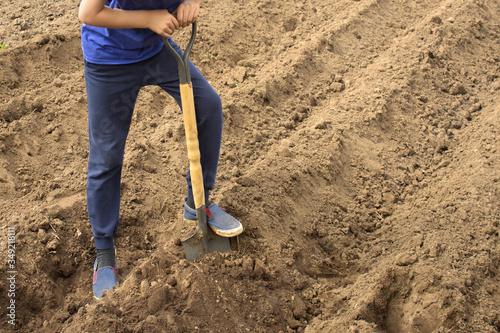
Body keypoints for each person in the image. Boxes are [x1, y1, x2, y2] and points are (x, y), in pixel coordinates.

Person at [78, 0, 243, 299]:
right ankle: (104, 248)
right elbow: (88, 13)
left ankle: (197, 204)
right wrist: (150, 17)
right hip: (109, 60)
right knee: (106, 156)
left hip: (157, 52)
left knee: (207, 107)